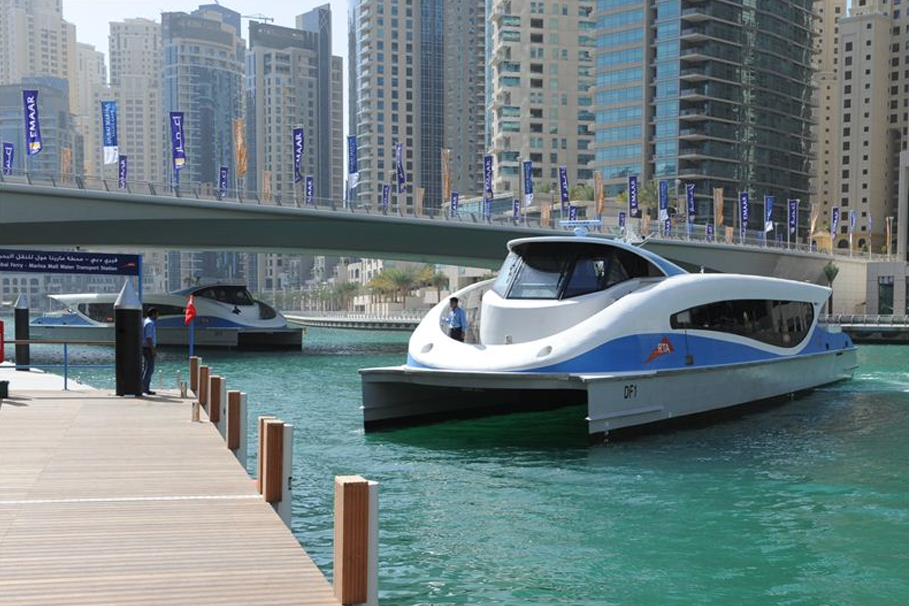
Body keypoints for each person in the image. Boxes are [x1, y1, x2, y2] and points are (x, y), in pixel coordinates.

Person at [142, 308, 159, 395]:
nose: (158, 316)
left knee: (145, 368)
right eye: (157, 314)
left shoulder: (145, 321)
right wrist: (153, 350)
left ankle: (142, 387)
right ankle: (145, 388)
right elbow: (148, 338)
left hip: (144, 347)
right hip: (148, 348)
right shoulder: (150, 323)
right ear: (153, 314)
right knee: (150, 369)